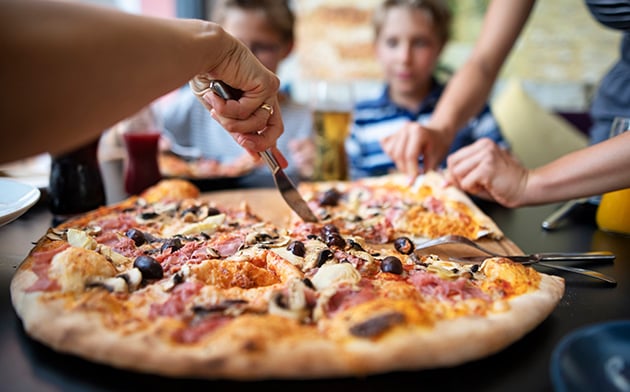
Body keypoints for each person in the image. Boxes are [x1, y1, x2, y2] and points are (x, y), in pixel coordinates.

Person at [0, 0, 284, 166]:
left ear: (288, 47)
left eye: (262, 46)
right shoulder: (187, 108)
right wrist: (214, 48)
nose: (250, 54)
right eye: (239, 43)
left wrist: (216, 49)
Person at [381, 0, 630, 180]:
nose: (404, 57)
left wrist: (529, 184)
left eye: (420, 43)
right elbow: (484, 62)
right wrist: (441, 129)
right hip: (615, 117)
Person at [345, 0, 508, 179]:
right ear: (376, 49)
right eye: (392, 43)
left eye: (420, 43)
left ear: (441, 46)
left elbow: (505, 175)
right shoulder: (361, 118)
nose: (404, 58)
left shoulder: (472, 106)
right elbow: (353, 189)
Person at [160, 0, 314, 180]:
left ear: (287, 49)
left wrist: (316, 170)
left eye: (261, 47)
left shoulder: (306, 121)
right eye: (233, 48)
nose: (245, 60)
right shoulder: (191, 105)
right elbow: (135, 131)